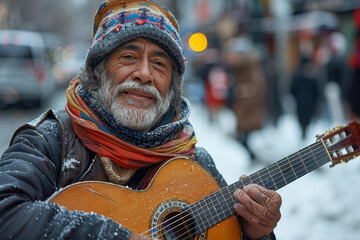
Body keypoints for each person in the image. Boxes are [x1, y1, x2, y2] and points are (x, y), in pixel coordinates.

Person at [0, 1, 281, 239]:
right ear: (99, 70)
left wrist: (255, 232)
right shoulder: (52, 140)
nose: (144, 74)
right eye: (128, 56)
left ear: (171, 86)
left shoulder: (194, 162)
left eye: (159, 64)